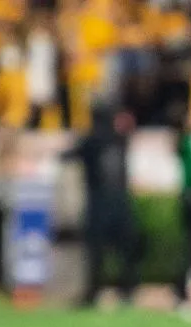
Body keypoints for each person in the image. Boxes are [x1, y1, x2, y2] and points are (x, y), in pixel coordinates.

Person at [60, 106, 143, 308]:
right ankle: (127, 291)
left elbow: (67, 156)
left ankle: (92, 292)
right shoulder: (120, 140)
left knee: (95, 253)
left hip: (98, 205)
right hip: (121, 204)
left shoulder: (90, 141)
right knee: (124, 253)